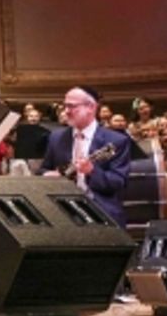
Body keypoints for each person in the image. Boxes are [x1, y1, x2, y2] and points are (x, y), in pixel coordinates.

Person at [41, 86, 132, 227]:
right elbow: (43, 169)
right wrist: (47, 175)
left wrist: (92, 171)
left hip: (100, 210)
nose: (66, 111)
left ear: (90, 107)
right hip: (62, 210)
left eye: (71, 106)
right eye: (65, 106)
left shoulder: (116, 141)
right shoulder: (56, 137)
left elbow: (118, 182)